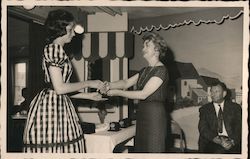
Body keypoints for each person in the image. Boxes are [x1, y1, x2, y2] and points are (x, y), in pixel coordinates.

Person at [23, 9, 106, 153]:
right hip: (51, 109)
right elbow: (59, 88)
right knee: (55, 147)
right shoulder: (54, 49)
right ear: (60, 29)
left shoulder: (58, 50)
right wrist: (89, 83)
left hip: (58, 103)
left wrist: (89, 96)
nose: (74, 33)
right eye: (70, 29)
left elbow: (59, 90)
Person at [101, 32, 169, 153]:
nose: (143, 49)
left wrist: (117, 92)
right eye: (143, 46)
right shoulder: (144, 70)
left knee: (153, 151)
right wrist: (109, 85)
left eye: (147, 46)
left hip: (155, 116)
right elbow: (126, 82)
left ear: (157, 49)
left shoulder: (161, 70)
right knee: (141, 151)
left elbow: (143, 94)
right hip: (143, 114)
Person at [198, 81, 242, 153]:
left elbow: (239, 127)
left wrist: (232, 142)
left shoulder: (235, 108)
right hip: (212, 141)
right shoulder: (204, 109)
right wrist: (218, 140)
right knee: (218, 151)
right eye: (211, 91)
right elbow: (203, 128)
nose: (212, 94)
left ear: (224, 94)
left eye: (216, 91)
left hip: (231, 140)